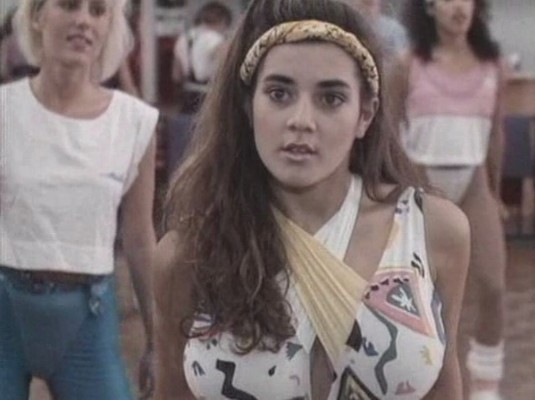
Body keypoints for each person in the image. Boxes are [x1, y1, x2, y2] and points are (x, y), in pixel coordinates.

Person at [154, 0, 470, 399]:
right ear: (248, 105)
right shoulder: (189, 255)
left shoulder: (432, 231)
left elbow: (444, 384)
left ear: (365, 114)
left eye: (331, 98)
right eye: (279, 93)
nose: (301, 120)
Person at [0, 0, 158, 399]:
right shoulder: (4, 110)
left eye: (98, 11)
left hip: (89, 317)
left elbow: (140, 238)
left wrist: (158, 341)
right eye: (70, 5)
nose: (84, 21)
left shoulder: (134, 122)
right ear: (37, 15)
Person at [393, 1, 507, 399]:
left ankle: (486, 387)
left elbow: (495, 134)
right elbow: (387, 132)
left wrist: (495, 191)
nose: (458, 6)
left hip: (474, 182)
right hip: (422, 182)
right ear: (429, 7)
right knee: (435, 299)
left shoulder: (493, 65)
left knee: (493, 286)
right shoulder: (408, 63)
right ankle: (435, 383)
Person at [172, 1, 232, 112]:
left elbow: (176, 75)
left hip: (187, 96)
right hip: (210, 96)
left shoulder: (183, 39)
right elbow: (227, 69)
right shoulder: (216, 39)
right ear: (223, 21)